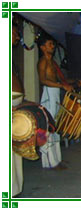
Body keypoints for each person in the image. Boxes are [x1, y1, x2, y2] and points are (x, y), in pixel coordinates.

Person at [36, 35, 81, 169]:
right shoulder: (43, 61)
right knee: (49, 128)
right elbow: (43, 80)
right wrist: (62, 86)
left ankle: (56, 160)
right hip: (48, 96)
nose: (53, 46)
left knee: (55, 127)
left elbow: (61, 80)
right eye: (50, 44)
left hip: (55, 95)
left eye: (52, 44)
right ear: (43, 47)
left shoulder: (53, 62)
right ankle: (50, 162)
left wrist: (75, 82)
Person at [12, 23, 23, 197]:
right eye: (13, 33)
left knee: (15, 148)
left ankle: (14, 189)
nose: (17, 37)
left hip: (13, 104)